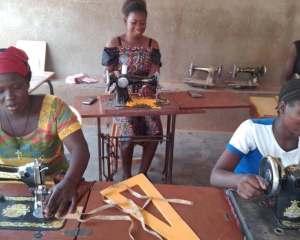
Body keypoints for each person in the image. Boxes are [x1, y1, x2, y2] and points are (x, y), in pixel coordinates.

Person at [0, 46, 90, 218]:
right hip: (7, 187)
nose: (9, 96)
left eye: (16, 87)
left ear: (28, 83)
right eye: (0, 91)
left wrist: (70, 182)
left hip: (58, 185)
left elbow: (80, 148)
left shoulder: (54, 108)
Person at [102, 0, 163, 180]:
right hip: (122, 94)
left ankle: (142, 174)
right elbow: (108, 74)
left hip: (145, 94)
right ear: (125, 22)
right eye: (134, 22)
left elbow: (154, 73)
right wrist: (119, 82)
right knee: (127, 130)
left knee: (155, 128)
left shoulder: (153, 44)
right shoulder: (115, 42)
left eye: (142, 23)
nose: (139, 27)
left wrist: (147, 86)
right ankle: (127, 176)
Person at [210, 78, 300, 199]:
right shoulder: (253, 130)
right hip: (246, 205)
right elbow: (216, 176)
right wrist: (239, 180)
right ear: (282, 107)